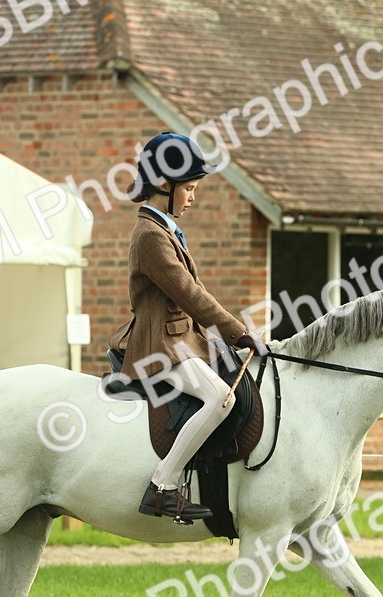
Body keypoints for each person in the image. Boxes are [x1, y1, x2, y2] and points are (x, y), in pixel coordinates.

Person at [108, 132, 267, 522]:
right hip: (160, 346)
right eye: (190, 188)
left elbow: (195, 293)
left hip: (182, 340)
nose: (193, 197)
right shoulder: (150, 236)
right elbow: (190, 294)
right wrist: (238, 332)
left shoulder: (163, 229)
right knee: (220, 398)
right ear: (165, 184)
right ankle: (162, 487)